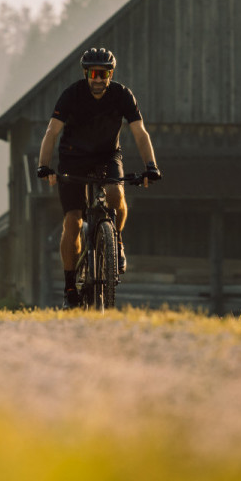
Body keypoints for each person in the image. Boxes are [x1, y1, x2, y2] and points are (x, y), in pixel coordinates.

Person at [35, 47, 161, 308]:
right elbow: (51, 132)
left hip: (107, 156)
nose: (98, 79)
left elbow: (140, 133)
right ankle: (70, 283)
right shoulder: (71, 95)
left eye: (103, 74)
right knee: (73, 221)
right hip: (73, 157)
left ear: (110, 74)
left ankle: (116, 241)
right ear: (85, 74)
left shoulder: (123, 95)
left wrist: (151, 166)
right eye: (93, 73)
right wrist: (44, 166)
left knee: (116, 193)